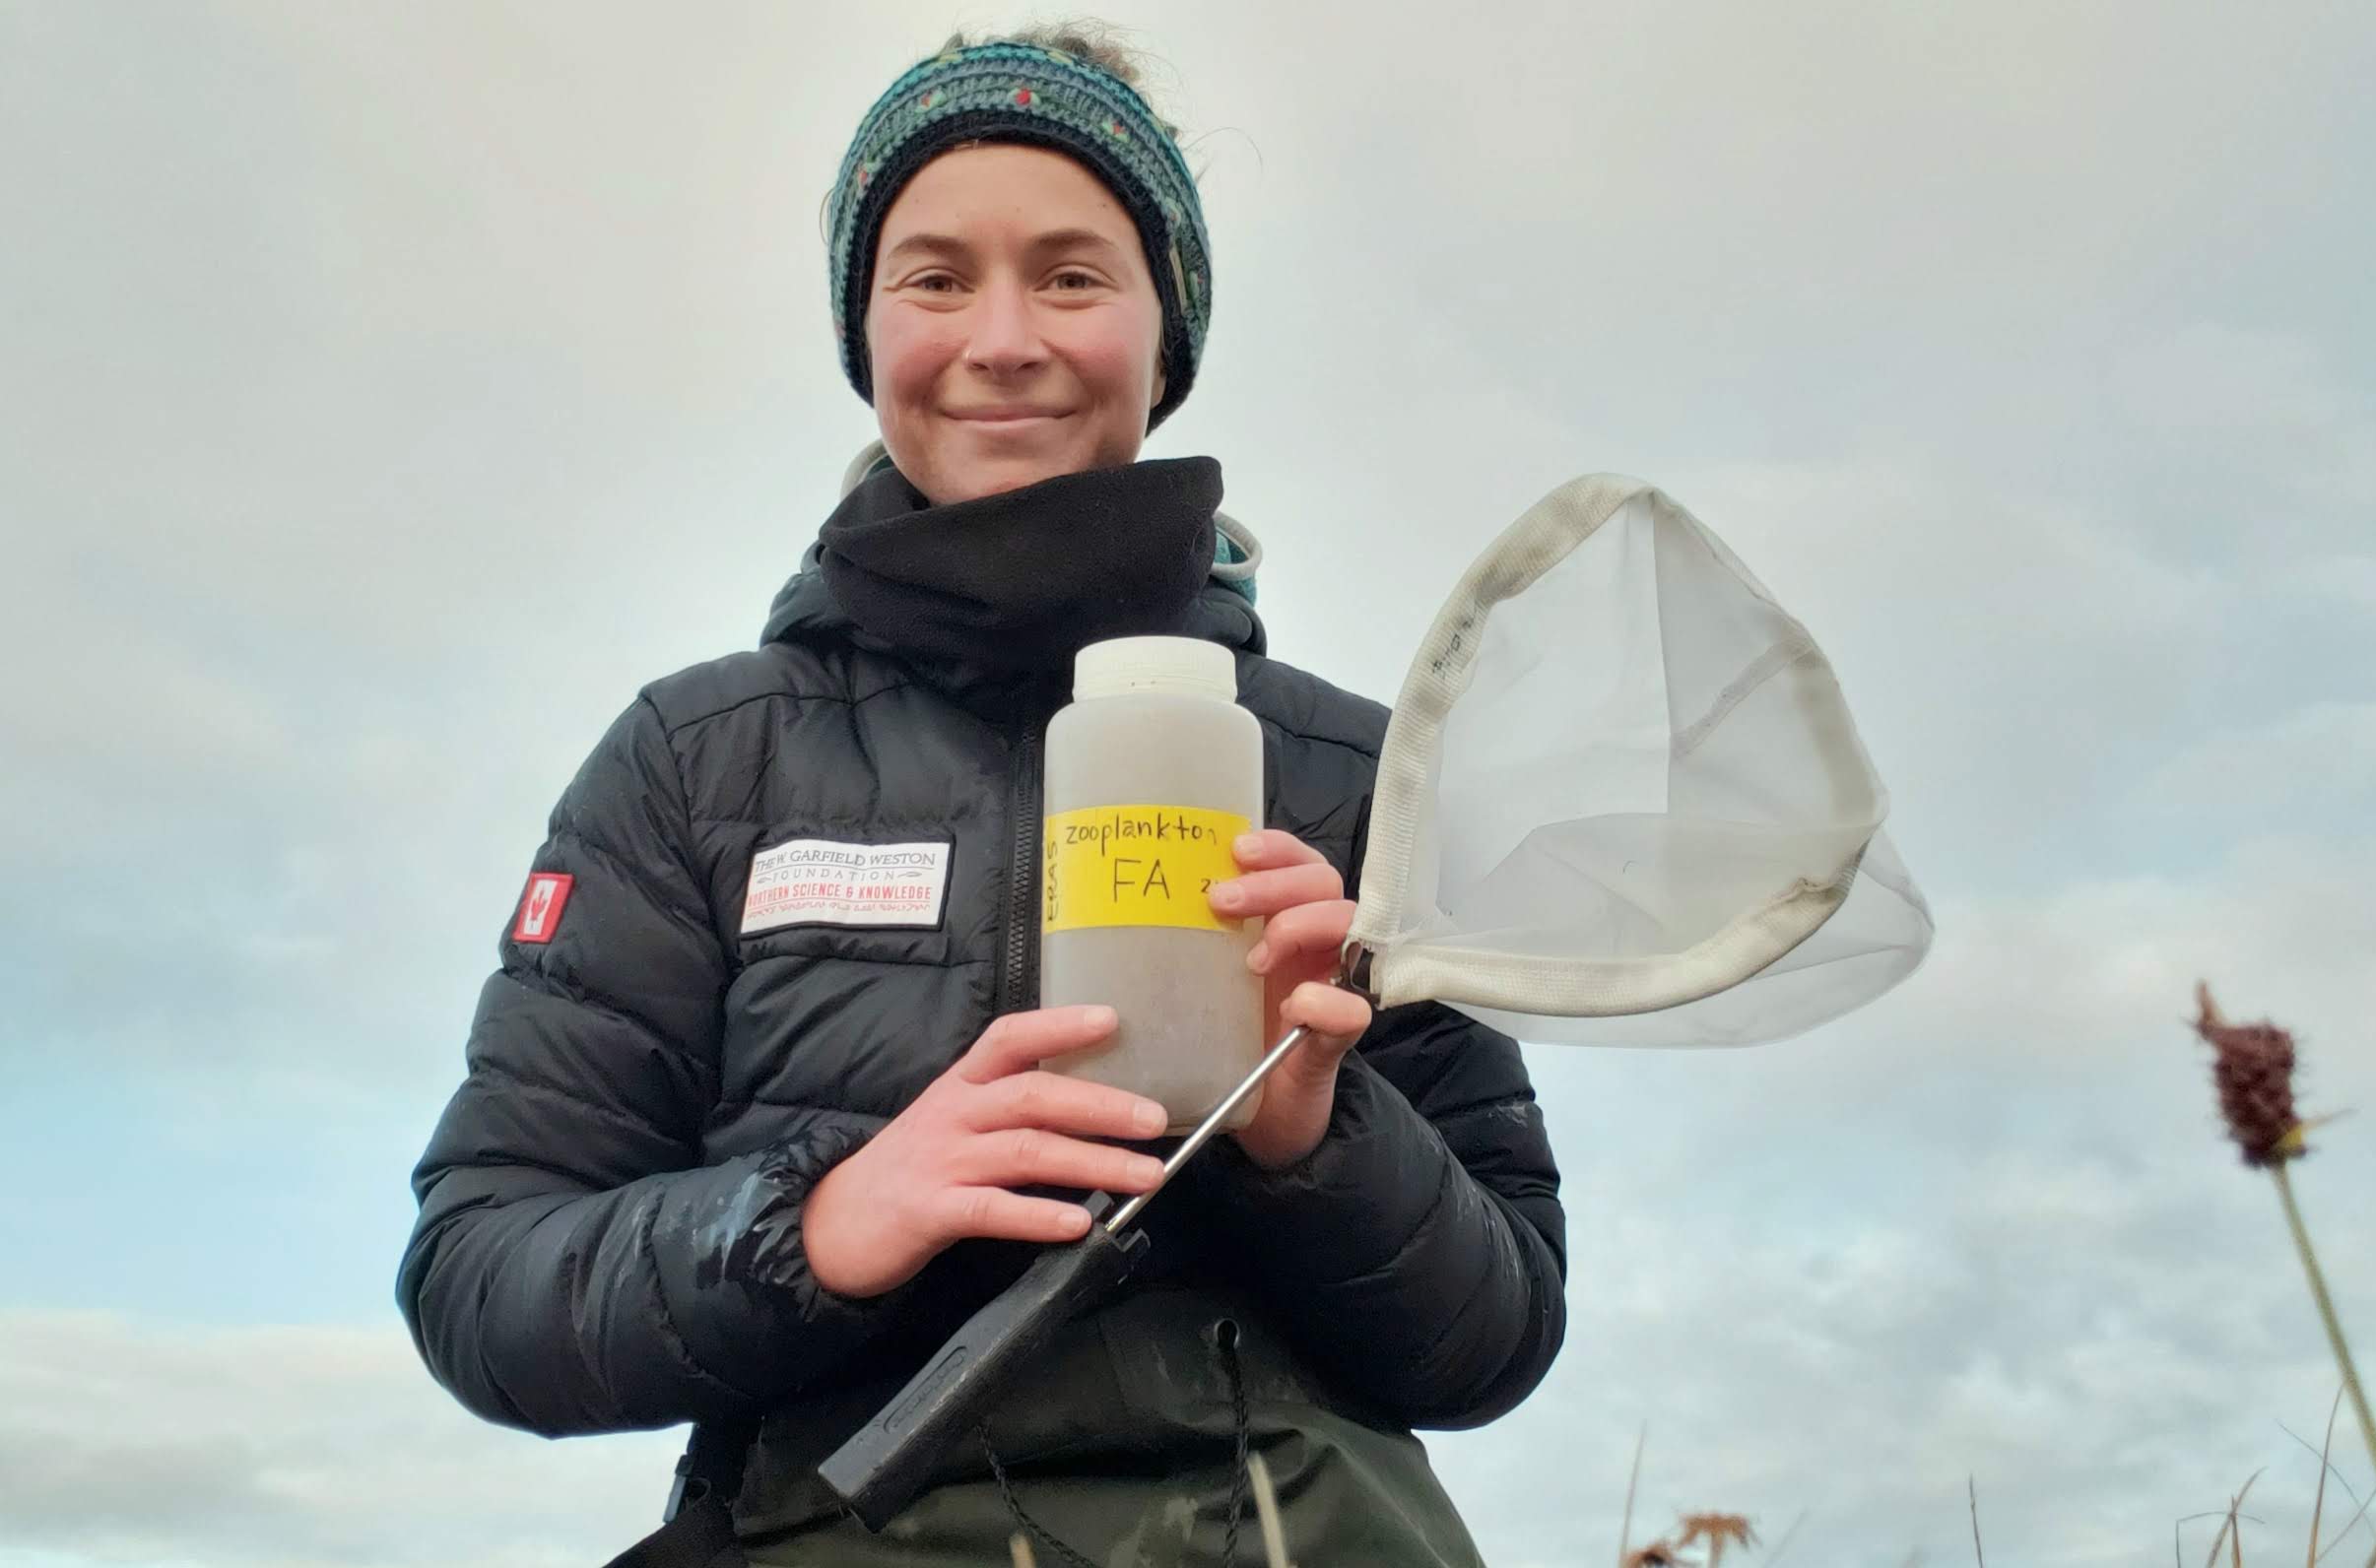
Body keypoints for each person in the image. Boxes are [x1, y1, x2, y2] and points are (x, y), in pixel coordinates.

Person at [393, 25, 1567, 1568]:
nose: (1003, 337)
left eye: (1074, 276)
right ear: (865, 329)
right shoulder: (696, 760)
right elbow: (483, 1283)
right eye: (936, 278)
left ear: (1167, 334)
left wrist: (1314, 1137)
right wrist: (825, 1223)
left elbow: (1496, 1340)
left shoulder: (1356, 778)